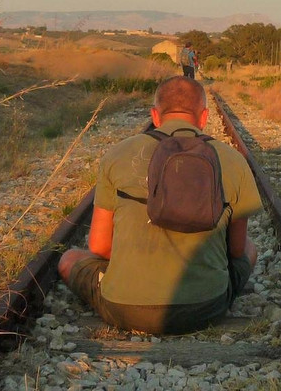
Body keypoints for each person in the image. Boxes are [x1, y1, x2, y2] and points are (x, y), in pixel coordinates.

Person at [58, 76, 261, 335]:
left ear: (155, 115)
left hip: (123, 308)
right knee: (250, 248)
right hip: (206, 308)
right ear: (204, 116)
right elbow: (235, 250)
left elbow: (99, 246)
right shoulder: (233, 160)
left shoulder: (116, 154)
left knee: (68, 259)